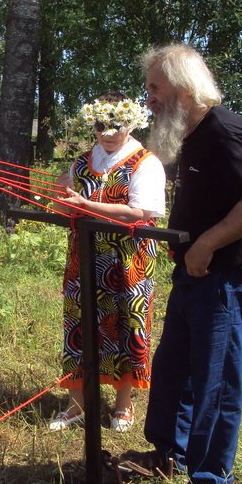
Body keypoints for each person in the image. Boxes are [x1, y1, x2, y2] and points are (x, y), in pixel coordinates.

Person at [120, 44, 242, 484]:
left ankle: (211, 483)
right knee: (175, 370)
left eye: (155, 87)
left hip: (227, 280)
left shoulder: (225, 132)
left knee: (216, 382)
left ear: (184, 90)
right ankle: (171, 455)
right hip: (195, 276)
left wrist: (206, 244)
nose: (148, 97)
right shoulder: (192, 134)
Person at [49, 92, 166, 433]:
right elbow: (62, 205)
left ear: (131, 124)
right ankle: (75, 406)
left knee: (127, 325)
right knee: (78, 325)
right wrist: (59, 199)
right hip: (84, 256)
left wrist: (83, 204)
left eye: (117, 125)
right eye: (102, 125)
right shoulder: (82, 162)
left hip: (128, 259)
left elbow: (140, 212)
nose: (110, 133)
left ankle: (123, 406)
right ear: (93, 125)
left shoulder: (145, 162)